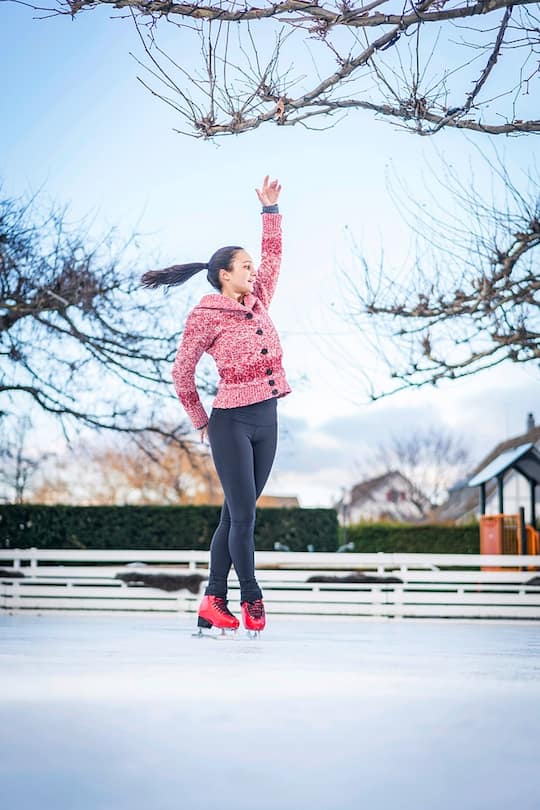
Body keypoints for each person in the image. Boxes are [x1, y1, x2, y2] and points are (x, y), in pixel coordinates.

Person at [141, 176, 291, 635]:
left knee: (233, 516)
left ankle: (212, 601)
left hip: (268, 418)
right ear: (225, 274)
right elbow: (181, 372)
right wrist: (201, 420)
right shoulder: (205, 315)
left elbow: (275, 258)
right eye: (244, 266)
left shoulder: (258, 300)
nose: (252, 271)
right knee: (244, 516)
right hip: (229, 423)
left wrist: (270, 212)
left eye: (251, 266)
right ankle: (251, 597)